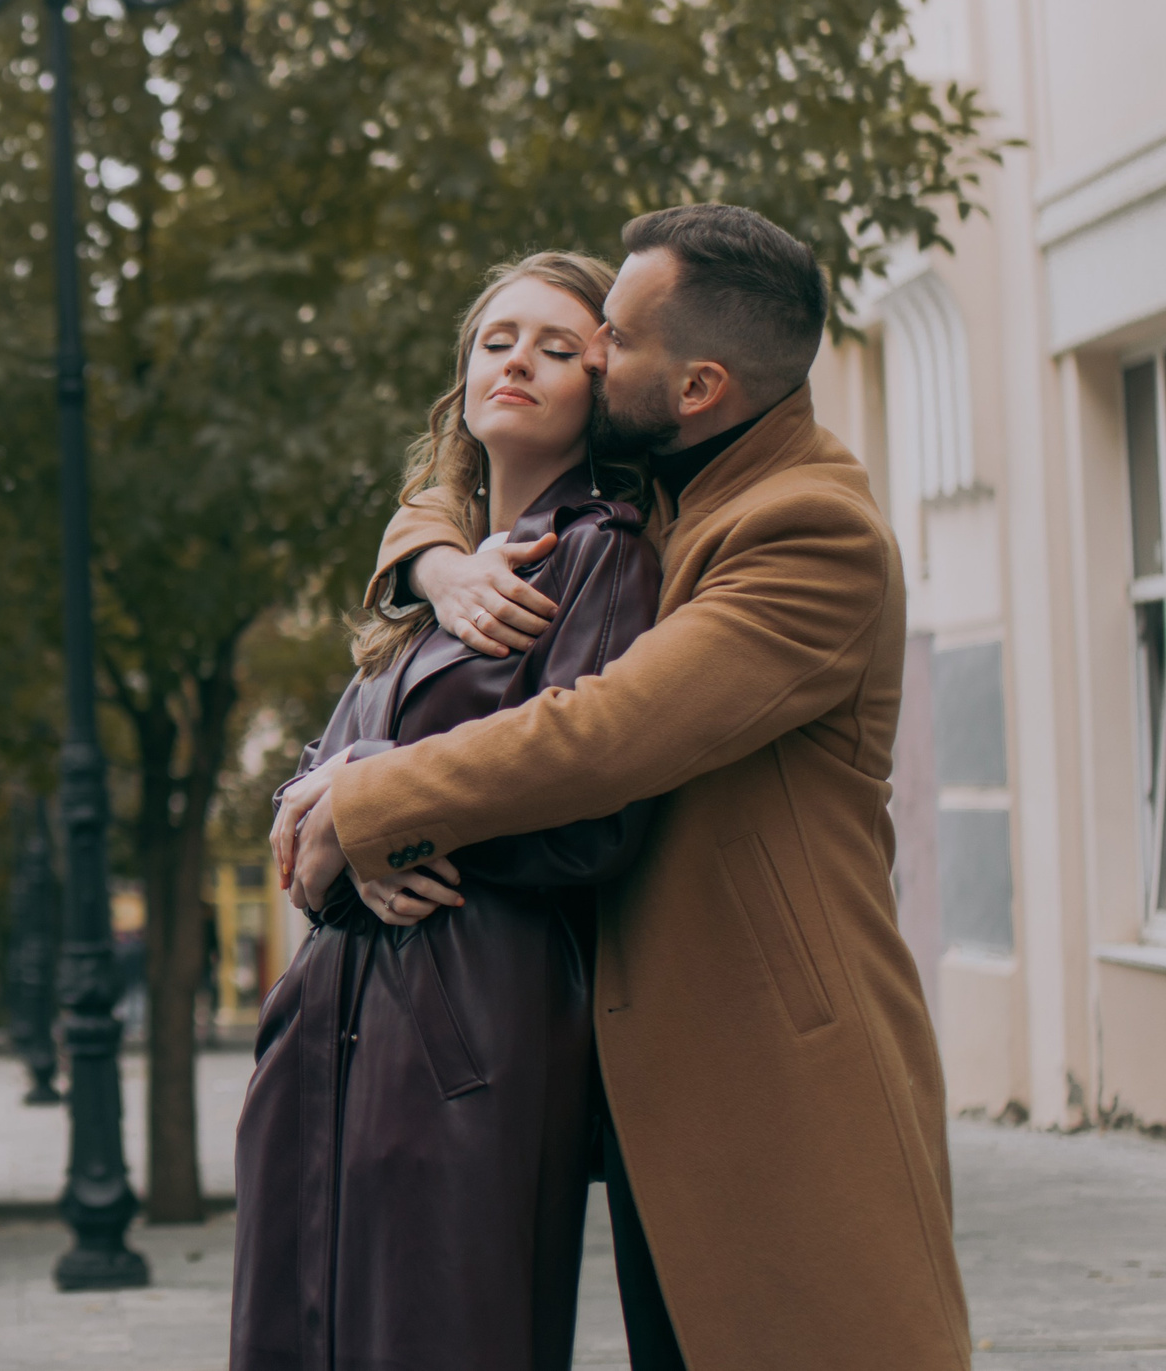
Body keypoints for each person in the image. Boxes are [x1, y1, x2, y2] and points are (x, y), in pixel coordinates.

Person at [272, 204, 968, 1371]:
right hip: (646, 1063)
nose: (589, 355)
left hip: (769, 1054)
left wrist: (370, 804)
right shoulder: (682, 474)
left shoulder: (808, 531)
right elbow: (468, 469)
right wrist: (434, 563)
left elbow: (606, 734)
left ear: (696, 387)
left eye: (612, 339)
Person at [230, 251, 660, 1371]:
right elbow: (310, 799)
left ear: (600, 390)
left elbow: (593, 812)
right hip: (328, 1015)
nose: (517, 361)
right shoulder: (437, 572)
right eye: (495, 340)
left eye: (557, 348)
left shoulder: (602, 554)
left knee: (443, 1335)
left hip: (470, 1014)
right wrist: (346, 832)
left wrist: (374, 808)